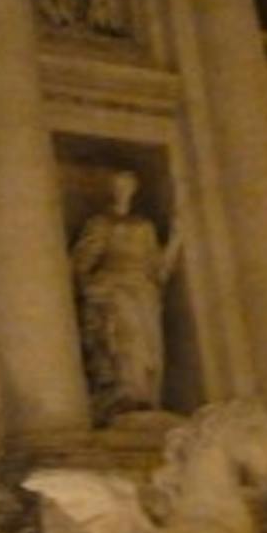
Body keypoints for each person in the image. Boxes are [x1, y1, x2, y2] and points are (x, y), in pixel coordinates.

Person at [70, 169, 181, 420]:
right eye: (118, 185)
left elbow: (159, 269)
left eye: (127, 185)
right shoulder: (99, 223)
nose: (122, 189)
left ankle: (144, 396)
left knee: (148, 346)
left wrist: (177, 237)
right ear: (111, 190)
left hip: (143, 291)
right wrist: (94, 288)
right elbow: (81, 263)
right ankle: (124, 395)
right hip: (113, 289)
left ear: (134, 189)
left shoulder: (145, 226)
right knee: (124, 339)